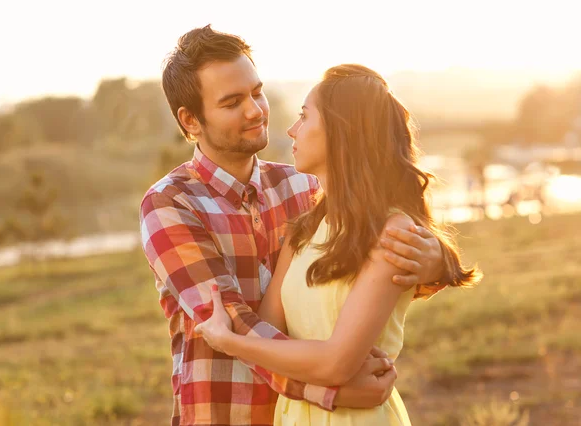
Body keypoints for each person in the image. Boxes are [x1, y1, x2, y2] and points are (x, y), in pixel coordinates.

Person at [139, 25, 450, 426]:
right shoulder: (170, 204)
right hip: (228, 413)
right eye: (233, 102)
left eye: (256, 92)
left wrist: (435, 263)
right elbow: (231, 322)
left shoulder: (306, 187)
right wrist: (332, 388)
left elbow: (360, 280)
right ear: (191, 120)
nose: (255, 110)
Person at [194, 64, 482, 425]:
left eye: (304, 116)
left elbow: (336, 363)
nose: (291, 129)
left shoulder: (391, 233)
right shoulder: (303, 228)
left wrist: (230, 342)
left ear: (342, 130)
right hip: (294, 415)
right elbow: (270, 330)